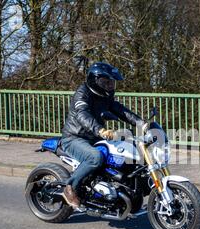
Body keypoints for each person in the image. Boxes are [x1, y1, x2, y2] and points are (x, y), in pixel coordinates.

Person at [60, 62, 146, 209]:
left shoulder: (105, 97)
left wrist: (141, 123)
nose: (110, 86)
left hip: (95, 137)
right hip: (74, 138)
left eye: (111, 82)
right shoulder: (82, 93)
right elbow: (83, 114)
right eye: (106, 82)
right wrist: (100, 129)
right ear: (95, 81)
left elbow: (120, 110)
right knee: (95, 158)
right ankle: (70, 188)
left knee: (126, 153)